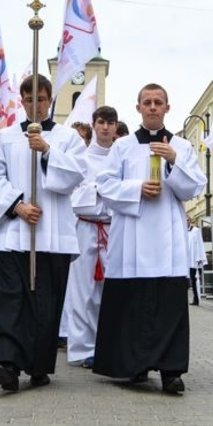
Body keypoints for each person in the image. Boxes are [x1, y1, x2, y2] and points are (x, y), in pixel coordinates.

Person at [93, 84, 206, 394]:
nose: (153, 107)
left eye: (158, 102)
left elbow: (194, 187)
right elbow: (104, 184)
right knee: (133, 306)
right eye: (147, 102)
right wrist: (136, 189)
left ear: (167, 108)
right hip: (132, 236)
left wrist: (172, 162)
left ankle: (171, 372)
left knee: (168, 307)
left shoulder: (181, 146)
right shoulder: (122, 146)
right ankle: (134, 367)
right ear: (139, 108)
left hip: (168, 240)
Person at [0, 74, 87, 392]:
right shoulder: (5, 137)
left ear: (50, 100)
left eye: (41, 99)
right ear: (22, 102)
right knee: (12, 299)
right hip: (15, 234)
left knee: (46, 303)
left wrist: (48, 152)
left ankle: (39, 365)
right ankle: (7, 364)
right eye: (29, 100)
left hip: (53, 235)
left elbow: (75, 176)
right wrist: (16, 206)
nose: (36, 105)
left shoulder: (67, 138)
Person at [63, 106, 118, 368]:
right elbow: (73, 196)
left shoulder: (123, 156)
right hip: (85, 228)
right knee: (83, 291)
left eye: (110, 122)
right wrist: (104, 191)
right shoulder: (81, 159)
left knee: (112, 291)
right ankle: (83, 349)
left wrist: (103, 191)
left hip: (115, 229)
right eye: (101, 122)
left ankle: (109, 345)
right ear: (94, 126)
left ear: (116, 127)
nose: (106, 127)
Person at [187, 217, 206, 306]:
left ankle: (196, 299)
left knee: (194, 280)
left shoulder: (196, 230)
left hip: (193, 260)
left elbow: (199, 244)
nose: (185, 221)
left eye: (187, 220)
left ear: (190, 221)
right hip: (186, 260)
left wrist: (199, 258)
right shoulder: (182, 231)